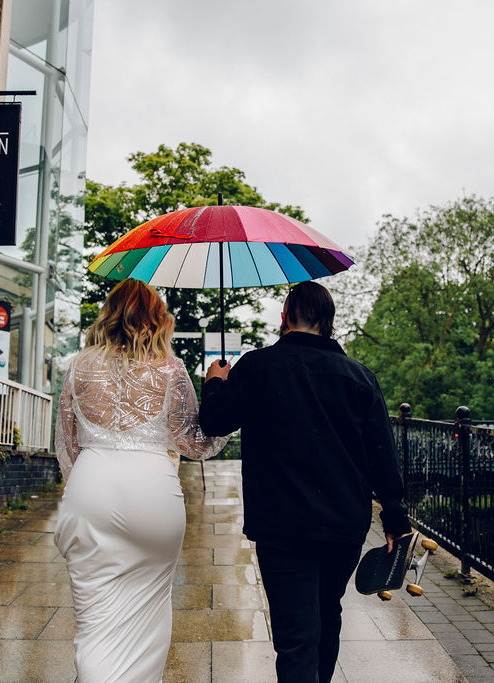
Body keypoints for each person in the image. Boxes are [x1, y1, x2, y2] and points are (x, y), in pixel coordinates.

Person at [198, 280, 410, 683]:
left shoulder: (257, 367)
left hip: (282, 524)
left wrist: (216, 382)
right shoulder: (359, 377)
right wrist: (396, 520)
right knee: (328, 614)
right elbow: (383, 455)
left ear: (284, 317)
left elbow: (214, 422)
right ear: (329, 322)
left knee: (296, 636)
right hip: (344, 524)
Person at [53, 278, 228, 682]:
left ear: (111, 314)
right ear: (156, 318)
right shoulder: (170, 369)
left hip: (91, 487)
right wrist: (219, 389)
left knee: (94, 622)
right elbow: (196, 443)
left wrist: (84, 489)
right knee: (149, 609)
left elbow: (68, 444)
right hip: (153, 494)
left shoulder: (79, 366)